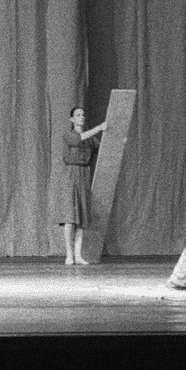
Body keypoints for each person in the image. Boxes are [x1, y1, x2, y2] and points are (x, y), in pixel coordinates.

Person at [58, 105, 107, 265]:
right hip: (71, 175)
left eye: (83, 114)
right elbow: (78, 139)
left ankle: (78, 255)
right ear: (72, 119)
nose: (81, 117)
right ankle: (69, 254)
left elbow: (104, 148)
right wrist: (100, 128)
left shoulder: (91, 140)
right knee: (70, 218)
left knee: (81, 219)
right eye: (78, 115)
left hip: (84, 175)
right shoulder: (69, 135)